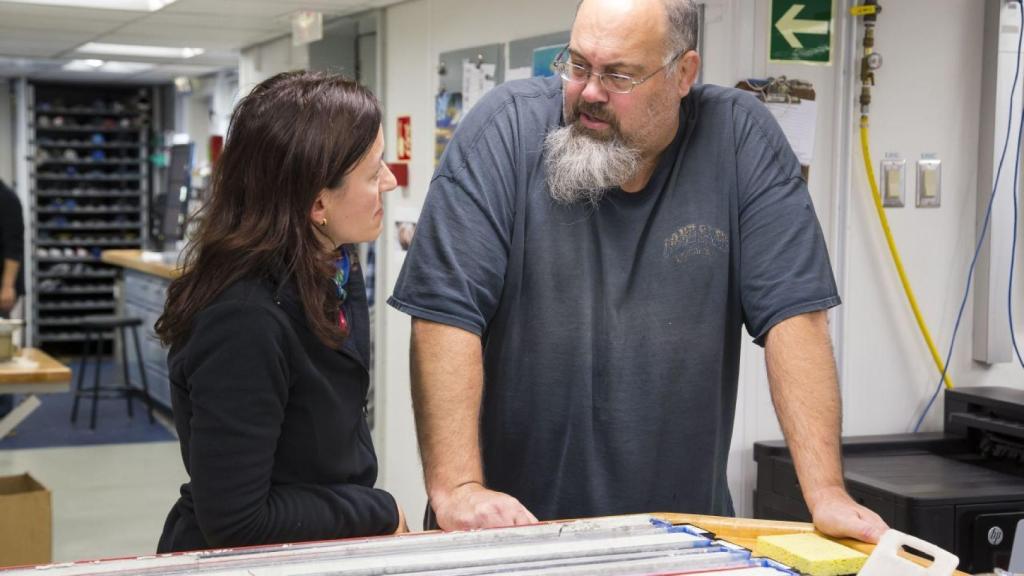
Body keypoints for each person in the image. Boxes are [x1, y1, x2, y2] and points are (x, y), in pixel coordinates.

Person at [389, 0, 889, 543]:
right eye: (577, 65)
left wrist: (826, 494)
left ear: (683, 74)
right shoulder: (503, 131)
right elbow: (444, 315)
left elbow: (796, 317)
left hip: (678, 534)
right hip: (515, 531)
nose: (590, 91)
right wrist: (458, 487)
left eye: (618, 75)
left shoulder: (740, 140)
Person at [154, 71, 405, 553]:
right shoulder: (244, 319)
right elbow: (237, 520)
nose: (391, 182)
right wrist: (379, 511)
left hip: (317, 544)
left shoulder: (334, 265)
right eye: (374, 173)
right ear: (316, 203)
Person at [0, 179, 25, 419]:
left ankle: (4, 416)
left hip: (1, 289)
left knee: (0, 356)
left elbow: (13, 247)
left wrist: (7, 286)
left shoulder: (6, 199)